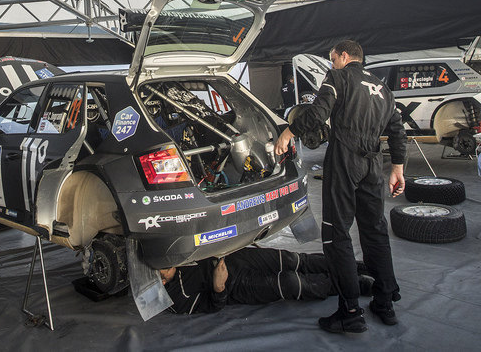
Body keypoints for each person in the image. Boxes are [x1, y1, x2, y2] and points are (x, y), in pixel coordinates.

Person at [274, 39, 406, 334]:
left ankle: (350, 312)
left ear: (343, 56)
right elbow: (398, 131)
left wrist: (289, 132)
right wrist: (397, 168)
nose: (332, 64)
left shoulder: (338, 77)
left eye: (333, 59)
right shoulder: (383, 88)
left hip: (345, 159)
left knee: (337, 234)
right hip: (374, 163)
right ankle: (385, 302)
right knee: (375, 230)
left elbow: (318, 113)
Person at [159, 246, 374, 315]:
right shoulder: (174, 301)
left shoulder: (177, 253)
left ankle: (352, 266)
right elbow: (214, 306)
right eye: (159, 272)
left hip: (239, 257)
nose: (162, 266)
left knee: (293, 260)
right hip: (236, 286)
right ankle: (351, 284)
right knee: (290, 283)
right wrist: (218, 286)